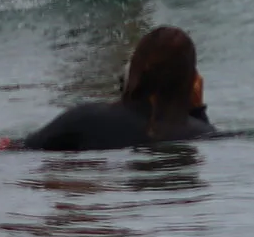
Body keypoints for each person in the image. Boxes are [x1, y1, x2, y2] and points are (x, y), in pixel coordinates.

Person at [24, 27, 217, 152]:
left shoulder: (85, 119)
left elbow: (24, 149)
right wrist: (197, 111)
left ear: (136, 69)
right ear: (191, 82)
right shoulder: (203, 134)